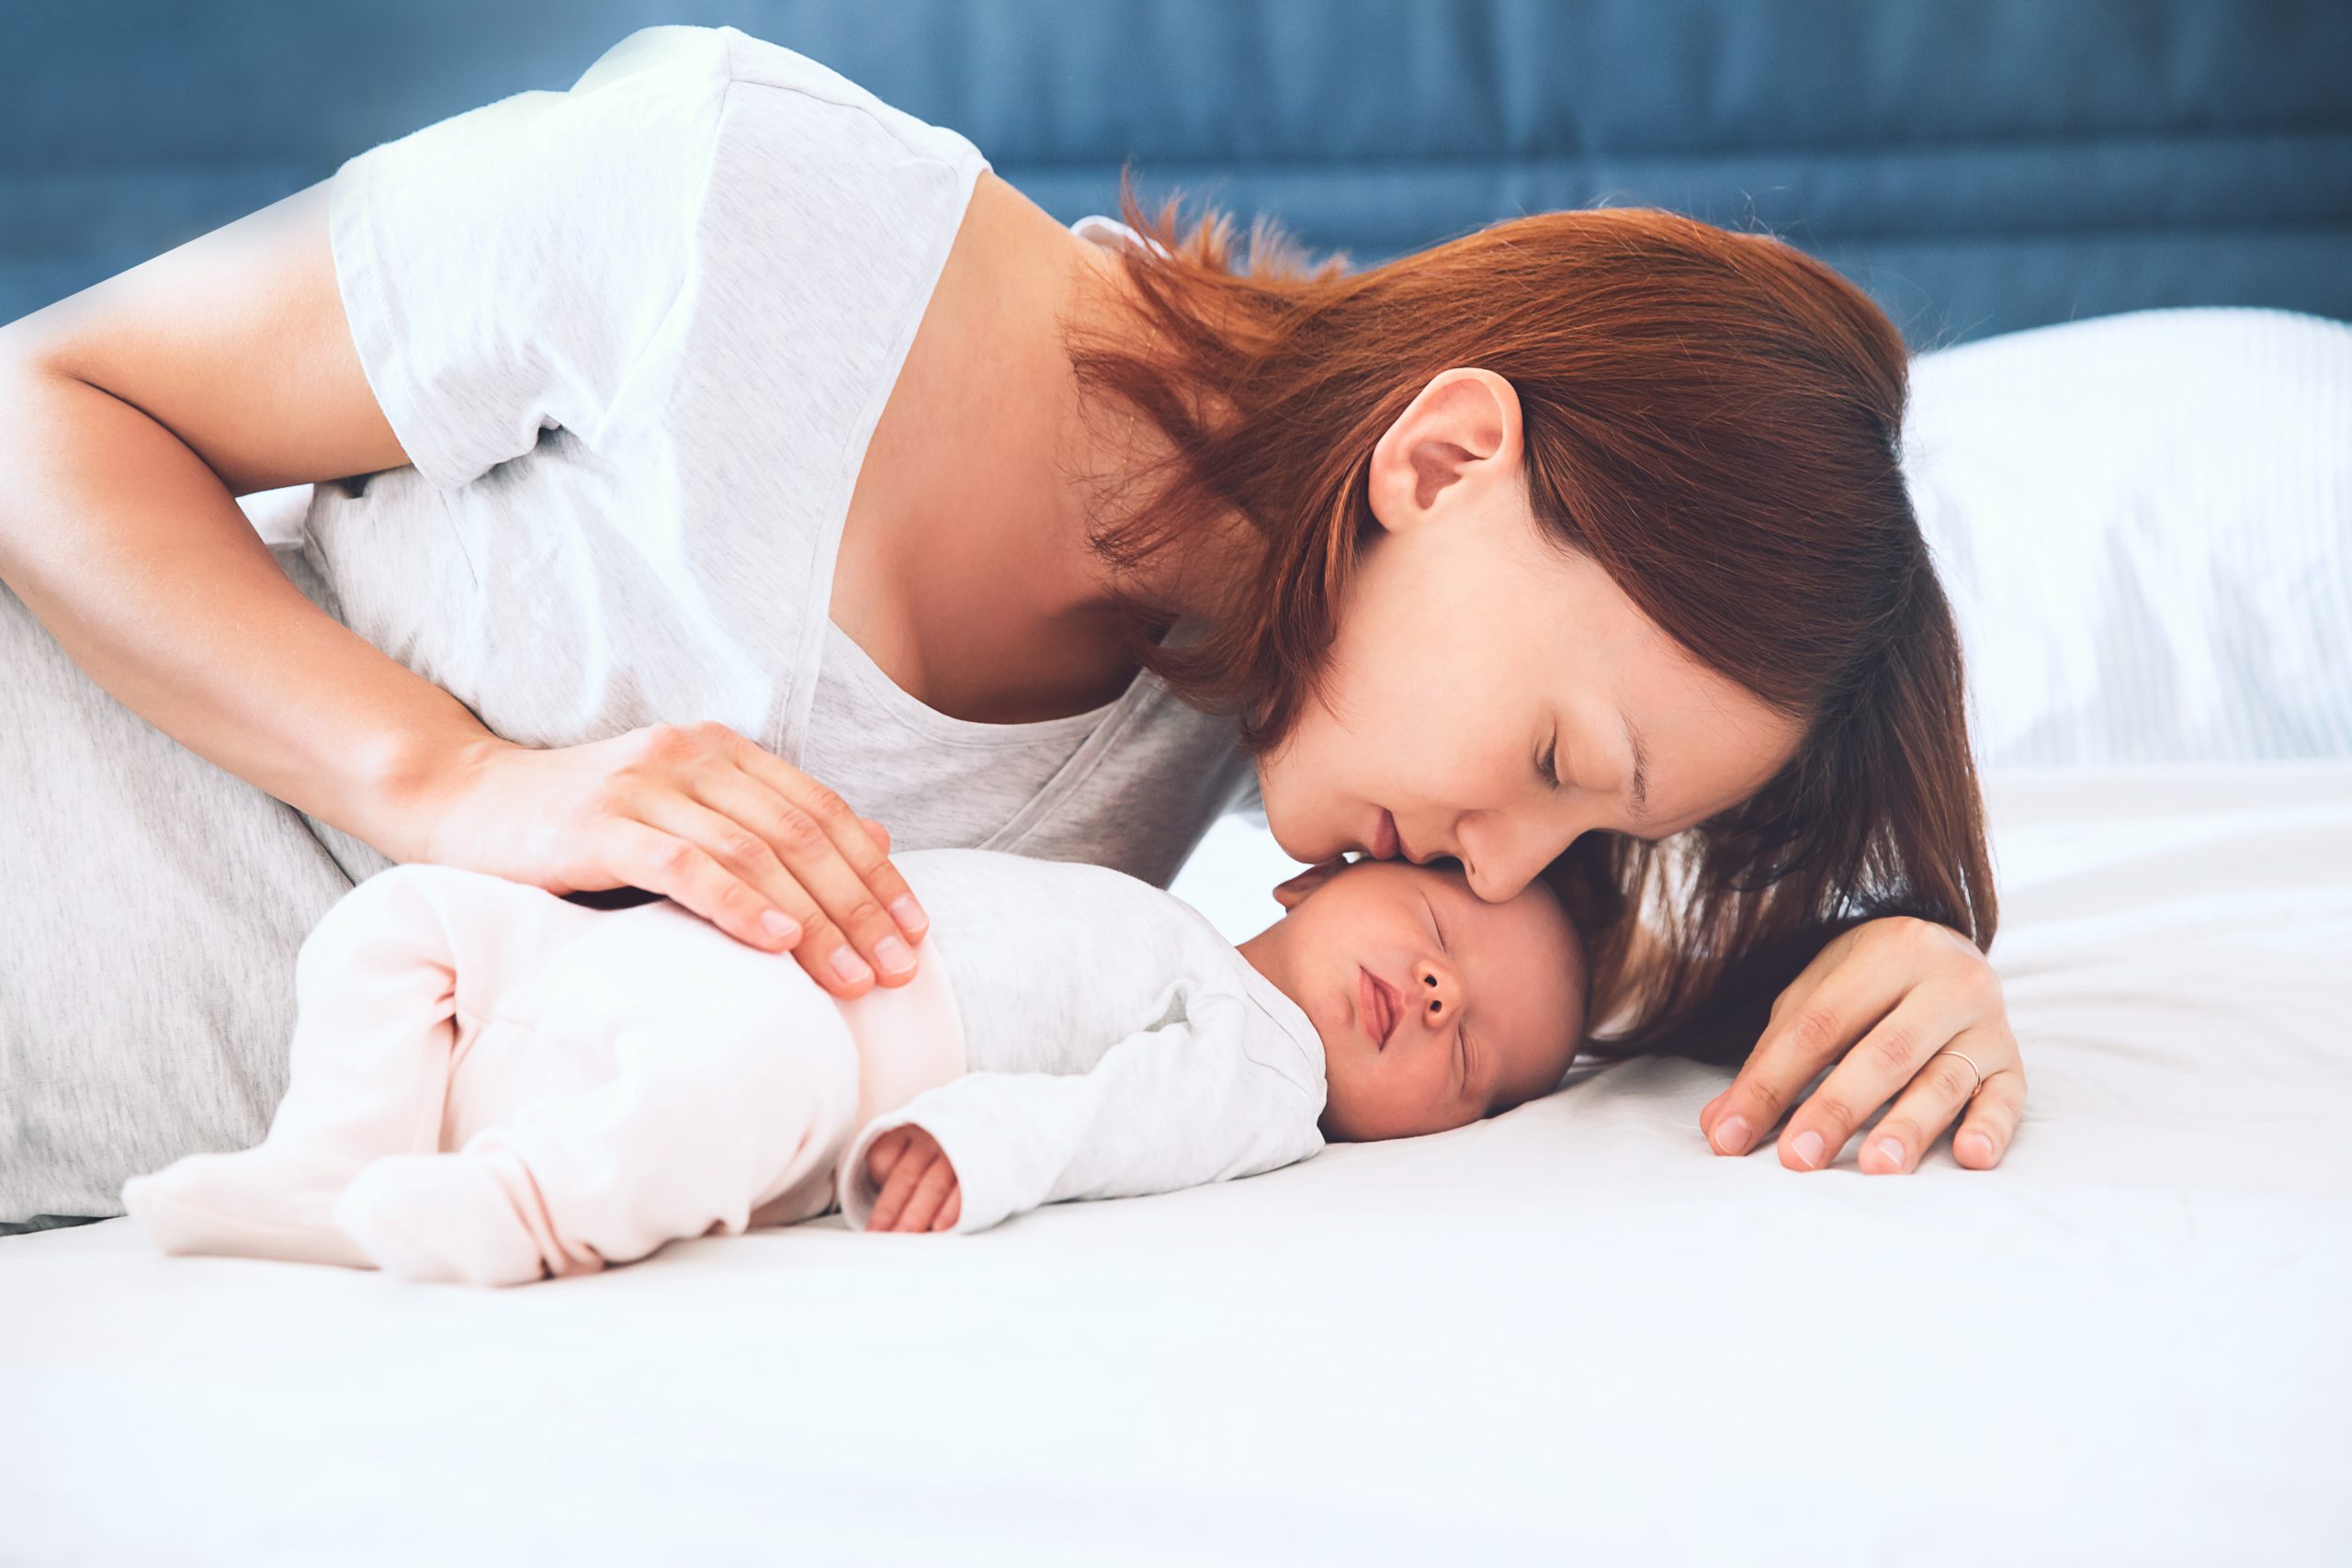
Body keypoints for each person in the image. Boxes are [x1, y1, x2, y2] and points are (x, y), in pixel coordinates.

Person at [0, 23, 2022, 1230]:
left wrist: (1901, 947)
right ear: (1441, 458)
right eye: (1561, 765)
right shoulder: (740, 197)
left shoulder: (1220, 738)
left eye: (1582, 832)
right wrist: (455, 779)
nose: (1507, 857)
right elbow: (44, 406)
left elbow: (1559, 981)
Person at [119, 849, 1586, 1284]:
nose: (1444, 996)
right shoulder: (1167, 912)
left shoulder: (1266, 1076)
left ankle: (525, 1211)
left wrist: (969, 1146)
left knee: (741, 1073)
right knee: (409, 917)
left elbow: (1111, 1122)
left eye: (1483, 1064)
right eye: (1439, 927)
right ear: (1313, 876)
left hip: (824, 1047)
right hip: (672, 962)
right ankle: (332, 1158)